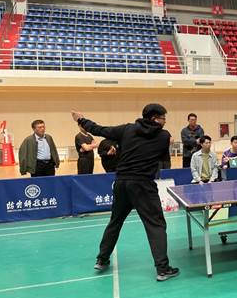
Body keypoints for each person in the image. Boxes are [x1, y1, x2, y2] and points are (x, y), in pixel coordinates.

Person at [71, 104, 179, 282]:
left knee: (115, 221)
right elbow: (162, 158)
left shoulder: (127, 129)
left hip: (122, 183)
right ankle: (163, 269)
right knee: (156, 225)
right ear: (154, 118)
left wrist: (81, 120)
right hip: (143, 185)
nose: (165, 121)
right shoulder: (163, 136)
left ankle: (102, 259)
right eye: (163, 118)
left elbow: (99, 129)